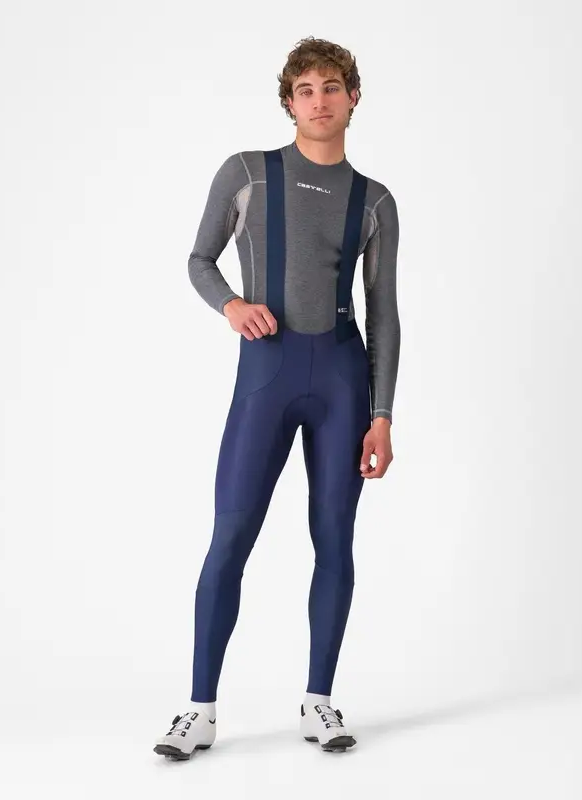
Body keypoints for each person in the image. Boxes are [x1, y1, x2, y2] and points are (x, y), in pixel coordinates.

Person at [154, 36, 400, 760]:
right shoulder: (247, 174)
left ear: (354, 97)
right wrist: (232, 305)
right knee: (231, 535)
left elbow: (383, 312)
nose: (319, 101)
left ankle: (319, 701)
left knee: (335, 539)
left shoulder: (375, 201)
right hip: (266, 376)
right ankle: (199, 710)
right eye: (306, 90)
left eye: (332, 87)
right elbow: (199, 260)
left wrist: (382, 414)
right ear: (289, 102)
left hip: (342, 385)